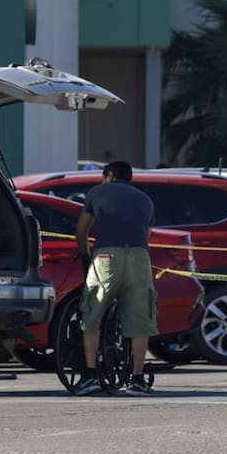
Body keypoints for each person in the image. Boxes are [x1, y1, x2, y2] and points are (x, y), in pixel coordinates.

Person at [73, 160, 157, 395]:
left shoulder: (96, 192)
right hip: (140, 257)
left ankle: (90, 375)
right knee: (140, 320)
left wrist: (85, 254)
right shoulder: (145, 199)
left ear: (108, 175)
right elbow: (147, 235)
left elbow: (82, 231)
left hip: (107, 255)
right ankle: (138, 379)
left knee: (92, 313)